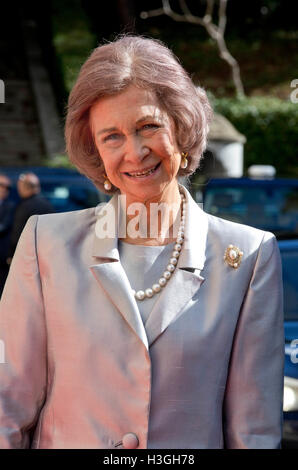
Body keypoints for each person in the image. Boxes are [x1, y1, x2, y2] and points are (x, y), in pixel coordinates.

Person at [0, 35, 284, 449]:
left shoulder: (250, 255)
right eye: (111, 136)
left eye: (148, 126)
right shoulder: (45, 242)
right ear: (95, 150)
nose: (134, 152)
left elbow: (254, 433)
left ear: (182, 127)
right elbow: (6, 404)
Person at [7, 172, 55, 263]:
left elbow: (17, 234)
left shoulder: (24, 207)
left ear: (23, 188)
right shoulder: (48, 205)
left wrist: (11, 255)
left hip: (27, 256)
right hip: (46, 254)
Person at [0, 174, 15, 296]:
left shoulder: (10, 206)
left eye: (8, 187)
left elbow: (4, 226)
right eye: (1, 185)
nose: (5, 189)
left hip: (2, 257)